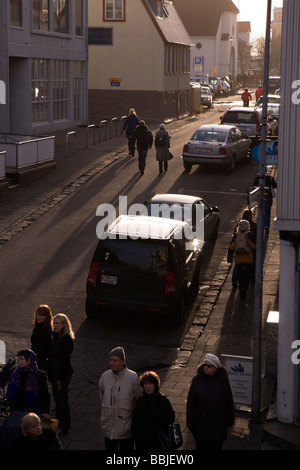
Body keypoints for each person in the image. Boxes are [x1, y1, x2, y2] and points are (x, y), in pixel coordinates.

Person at [186, 353, 234, 450]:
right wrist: (190, 424)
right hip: (201, 427)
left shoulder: (222, 381)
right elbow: (191, 403)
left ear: (215, 368)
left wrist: (229, 421)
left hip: (217, 428)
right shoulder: (197, 380)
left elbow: (229, 400)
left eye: (209, 366)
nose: (205, 368)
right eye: (205, 365)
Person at [98, 346, 141, 451]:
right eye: (110, 360)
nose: (112, 363)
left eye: (115, 360)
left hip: (125, 430)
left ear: (122, 362)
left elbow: (137, 399)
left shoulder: (132, 377)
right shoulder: (105, 376)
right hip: (108, 429)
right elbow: (102, 396)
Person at [132, 371, 175, 451]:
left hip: (158, 441)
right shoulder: (140, 401)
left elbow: (170, 419)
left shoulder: (162, 400)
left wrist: (156, 411)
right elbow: (135, 420)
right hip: (142, 442)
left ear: (155, 385)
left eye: (150, 384)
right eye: (145, 384)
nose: (148, 386)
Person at [47, 313, 74, 436]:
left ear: (64, 324)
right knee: (58, 399)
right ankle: (59, 423)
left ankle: (64, 425)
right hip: (55, 373)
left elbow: (63, 359)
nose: (55, 325)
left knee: (61, 399)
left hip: (61, 374)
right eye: (54, 323)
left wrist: (58, 376)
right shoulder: (56, 336)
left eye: (57, 323)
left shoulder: (66, 339)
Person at [6, 349, 50, 415]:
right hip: (19, 411)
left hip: (35, 411)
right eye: (18, 359)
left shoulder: (40, 375)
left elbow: (45, 396)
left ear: (29, 360)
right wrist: (14, 409)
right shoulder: (16, 374)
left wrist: (45, 412)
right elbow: (12, 395)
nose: (19, 361)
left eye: (22, 359)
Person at [227, 219, 256, 298]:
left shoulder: (236, 235)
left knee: (240, 274)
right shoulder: (250, 235)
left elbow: (231, 247)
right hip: (248, 258)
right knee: (247, 274)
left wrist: (229, 257)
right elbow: (254, 246)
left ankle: (240, 288)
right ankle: (245, 288)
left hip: (238, 258)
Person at [231, 209, 257, 287]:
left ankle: (234, 281)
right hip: (249, 255)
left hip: (239, 254)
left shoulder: (238, 227)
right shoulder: (253, 226)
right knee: (250, 269)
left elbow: (232, 245)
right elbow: (255, 243)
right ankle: (251, 280)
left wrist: (230, 256)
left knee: (237, 268)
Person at [30, 304, 53, 372]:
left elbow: (41, 349)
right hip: (35, 358)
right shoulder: (37, 327)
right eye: (38, 314)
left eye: (42, 315)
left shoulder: (46, 330)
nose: (39, 317)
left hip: (40, 361)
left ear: (46, 317)